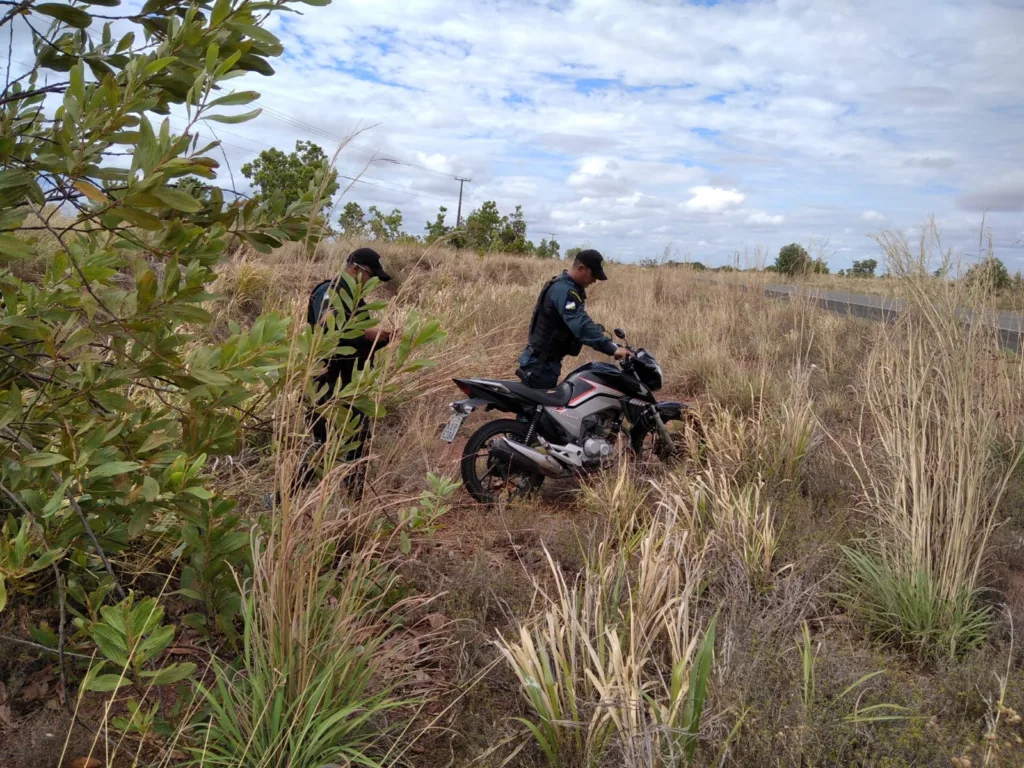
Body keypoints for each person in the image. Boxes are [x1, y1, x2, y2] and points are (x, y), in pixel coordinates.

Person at [298, 247, 396, 495]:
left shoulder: (353, 299)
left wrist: (382, 339)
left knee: (355, 442)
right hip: (326, 383)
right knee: (324, 444)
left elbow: (353, 344)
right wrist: (369, 333)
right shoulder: (330, 292)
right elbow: (330, 329)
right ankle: (284, 499)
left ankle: (351, 503)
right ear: (356, 269)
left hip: (349, 386)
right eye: (371, 277)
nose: (373, 283)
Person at [516, 249, 632, 390]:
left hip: (543, 362)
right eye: (593, 275)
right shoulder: (564, 290)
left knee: (538, 408)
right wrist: (611, 348)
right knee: (535, 409)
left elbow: (575, 321)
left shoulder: (565, 286)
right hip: (540, 364)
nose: (594, 280)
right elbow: (580, 325)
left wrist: (603, 337)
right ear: (581, 268)